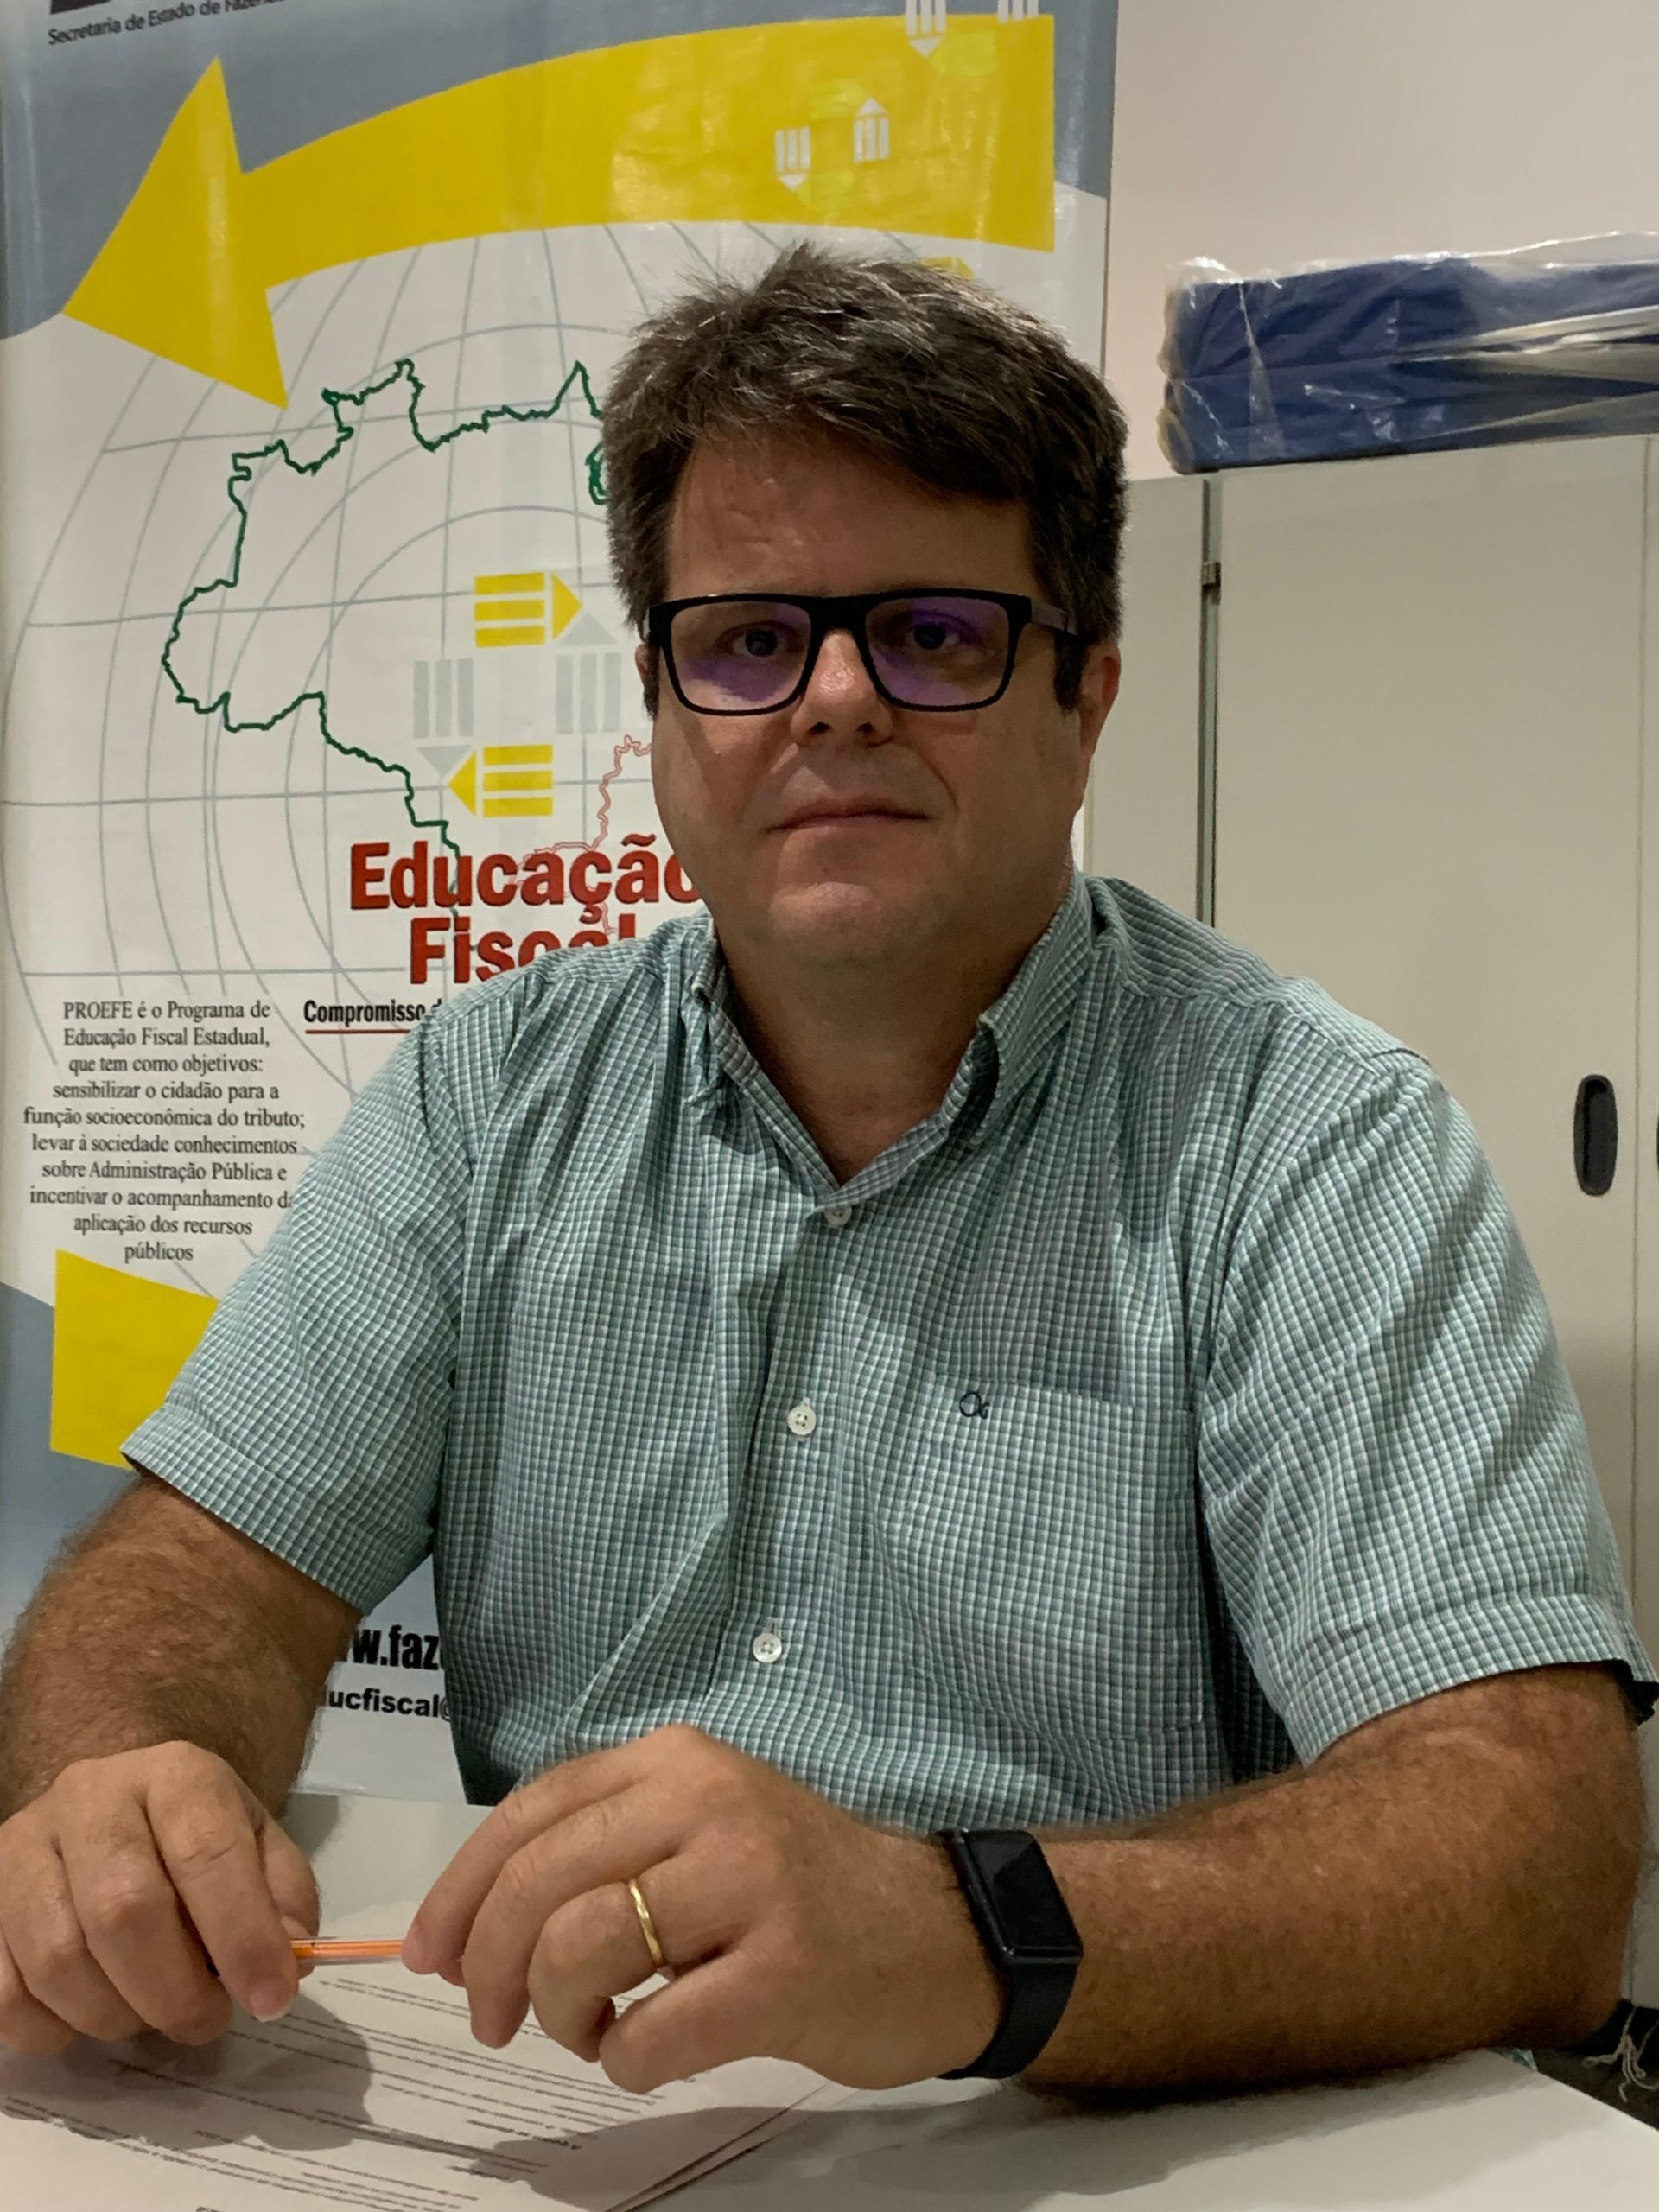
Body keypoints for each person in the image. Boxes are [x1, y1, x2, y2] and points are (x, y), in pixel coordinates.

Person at [0, 245, 1650, 2098]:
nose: (838, 699)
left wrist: (961, 1928)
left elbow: (1534, 1852)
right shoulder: (486, 1098)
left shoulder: (1309, 1138)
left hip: (1088, 2136)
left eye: (936, 635)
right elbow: (193, 1572)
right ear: (661, 710)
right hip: (573, 2119)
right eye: (749, 640)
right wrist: (117, 1775)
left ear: (1087, 701)